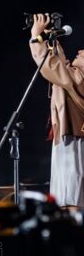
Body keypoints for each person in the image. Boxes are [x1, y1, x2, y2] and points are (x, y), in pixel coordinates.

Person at [29, 13, 84, 209]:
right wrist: (51, 40)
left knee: (73, 200)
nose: (80, 51)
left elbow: (61, 73)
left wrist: (36, 38)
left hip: (78, 140)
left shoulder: (79, 76)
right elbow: (62, 70)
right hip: (69, 138)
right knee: (63, 201)